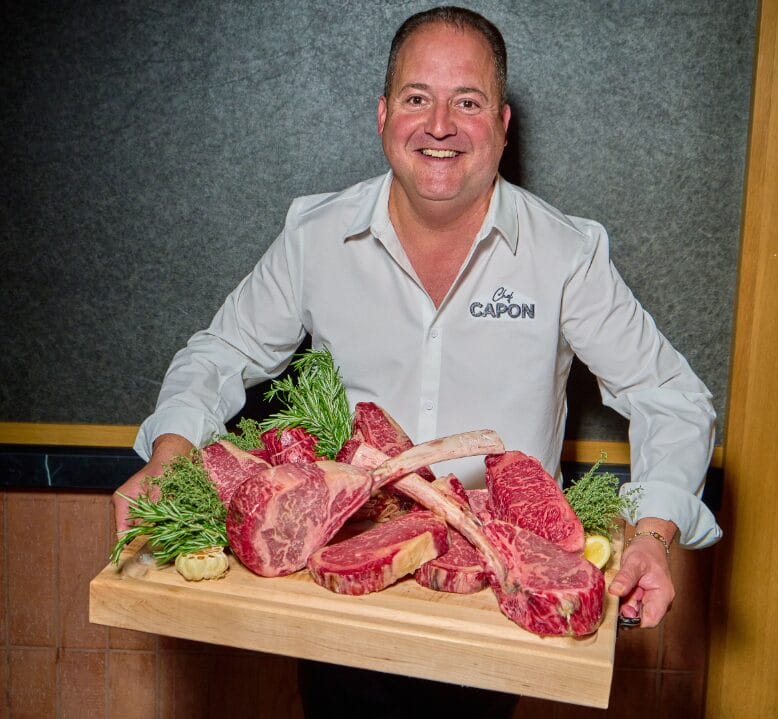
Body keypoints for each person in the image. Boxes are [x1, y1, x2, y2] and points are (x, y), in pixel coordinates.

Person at [114, 6, 721, 716]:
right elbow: (221, 350)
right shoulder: (315, 236)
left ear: (501, 123)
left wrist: (652, 534)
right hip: (342, 588)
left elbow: (669, 395)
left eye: (467, 100)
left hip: (495, 599)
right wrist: (171, 452)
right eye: (416, 98)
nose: (439, 124)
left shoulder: (566, 254)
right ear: (381, 116)